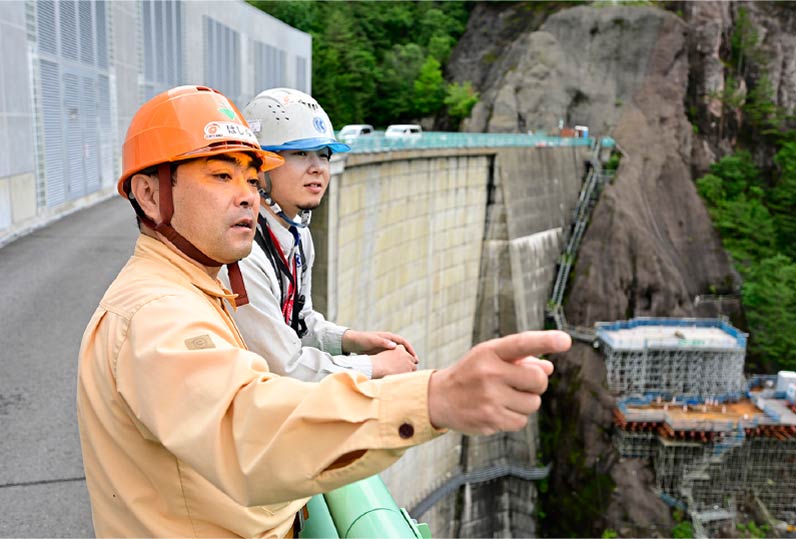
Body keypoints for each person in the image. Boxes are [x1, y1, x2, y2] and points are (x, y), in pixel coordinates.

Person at [76, 85, 571, 538]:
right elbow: (249, 431)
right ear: (149, 193)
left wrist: (349, 340)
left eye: (251, 176)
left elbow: (297, 326)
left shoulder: (204, 280)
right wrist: (432, 398)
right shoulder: (160, 314)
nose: (247, 193)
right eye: (221, 175)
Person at [220, 87, 417, 382]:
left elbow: (300, 322)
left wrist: (351, 339)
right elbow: (283, 365)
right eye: (300, 153)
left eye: (323, 155)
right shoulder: (241, 252)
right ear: (259, 166)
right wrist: (375, 366)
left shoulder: (297, 234)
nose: (317, 168)